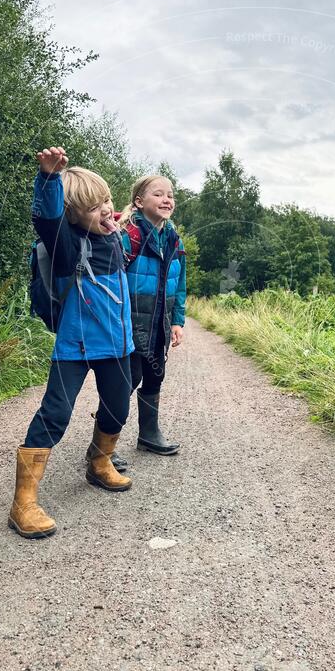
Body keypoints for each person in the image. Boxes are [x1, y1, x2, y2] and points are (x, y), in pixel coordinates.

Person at [8, 147, 134, 540]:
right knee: (55, 414)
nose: (105, 212)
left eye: (107, 202)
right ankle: (23, 503)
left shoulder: (112, 236)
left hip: (117, 345)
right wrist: (47, 179)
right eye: (93, 207)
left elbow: (123, 218)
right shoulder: (65, 240)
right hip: (75, 347)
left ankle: (99, 463)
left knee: (118, 407)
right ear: (74, 216)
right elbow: (45, 219)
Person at [111, 174, 186, 468]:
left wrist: (177, 321)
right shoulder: (128, 235)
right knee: (125, 382)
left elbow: (180, 284)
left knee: (155, 376)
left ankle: (149, 434)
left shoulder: (173, 239)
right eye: (158, 194)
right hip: (129, 324)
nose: (166, 199)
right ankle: (103, 444)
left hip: (159, 325)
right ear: (139, 202)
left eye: (170, 194)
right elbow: (111, 278)